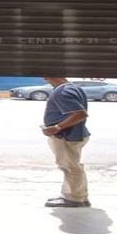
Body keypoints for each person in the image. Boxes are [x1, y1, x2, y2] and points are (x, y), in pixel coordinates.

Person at [40, 76, 91, 208]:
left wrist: (58, 127)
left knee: (70, 167)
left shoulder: (62, 91)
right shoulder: (72, 88)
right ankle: (79, 196)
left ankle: (74, 199)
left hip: (66, 136)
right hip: (74, 135)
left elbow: (80, 114)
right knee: (74, 166)